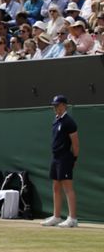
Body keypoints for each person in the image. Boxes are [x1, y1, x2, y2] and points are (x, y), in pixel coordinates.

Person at [41, 95, 80, 228]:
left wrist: (74, 159)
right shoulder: (56, 120)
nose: (55, 108)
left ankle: (73, 218)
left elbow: (75, 144)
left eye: (57, 105)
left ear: (64, 105)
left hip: (65, 158)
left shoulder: (69, 122)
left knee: (68, 188)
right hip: (55, 157)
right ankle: (57, 217)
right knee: (56, 187)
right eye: (54, 105)